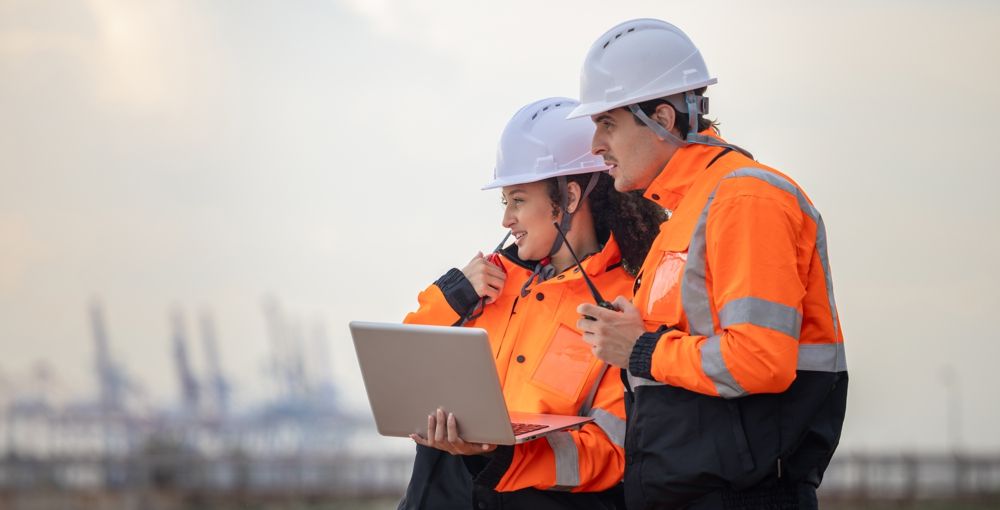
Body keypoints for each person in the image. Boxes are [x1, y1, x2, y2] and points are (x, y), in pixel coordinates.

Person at [570, 19, 848, 509]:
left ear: (662, 118)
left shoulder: (745, 198)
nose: (595, 147)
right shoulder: (688, 214)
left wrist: (640, 348)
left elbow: (761, 361)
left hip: (744, 495)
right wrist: (635, 333)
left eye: (607, 124)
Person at [397, 97, 666, 510]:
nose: (506, 219)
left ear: (570, 196)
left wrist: (500, 455)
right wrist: (453, 294)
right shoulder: (483, 284)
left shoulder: (624, 305)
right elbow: (400, 375)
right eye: (505, 201)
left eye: (518, 200)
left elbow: (611, 452)